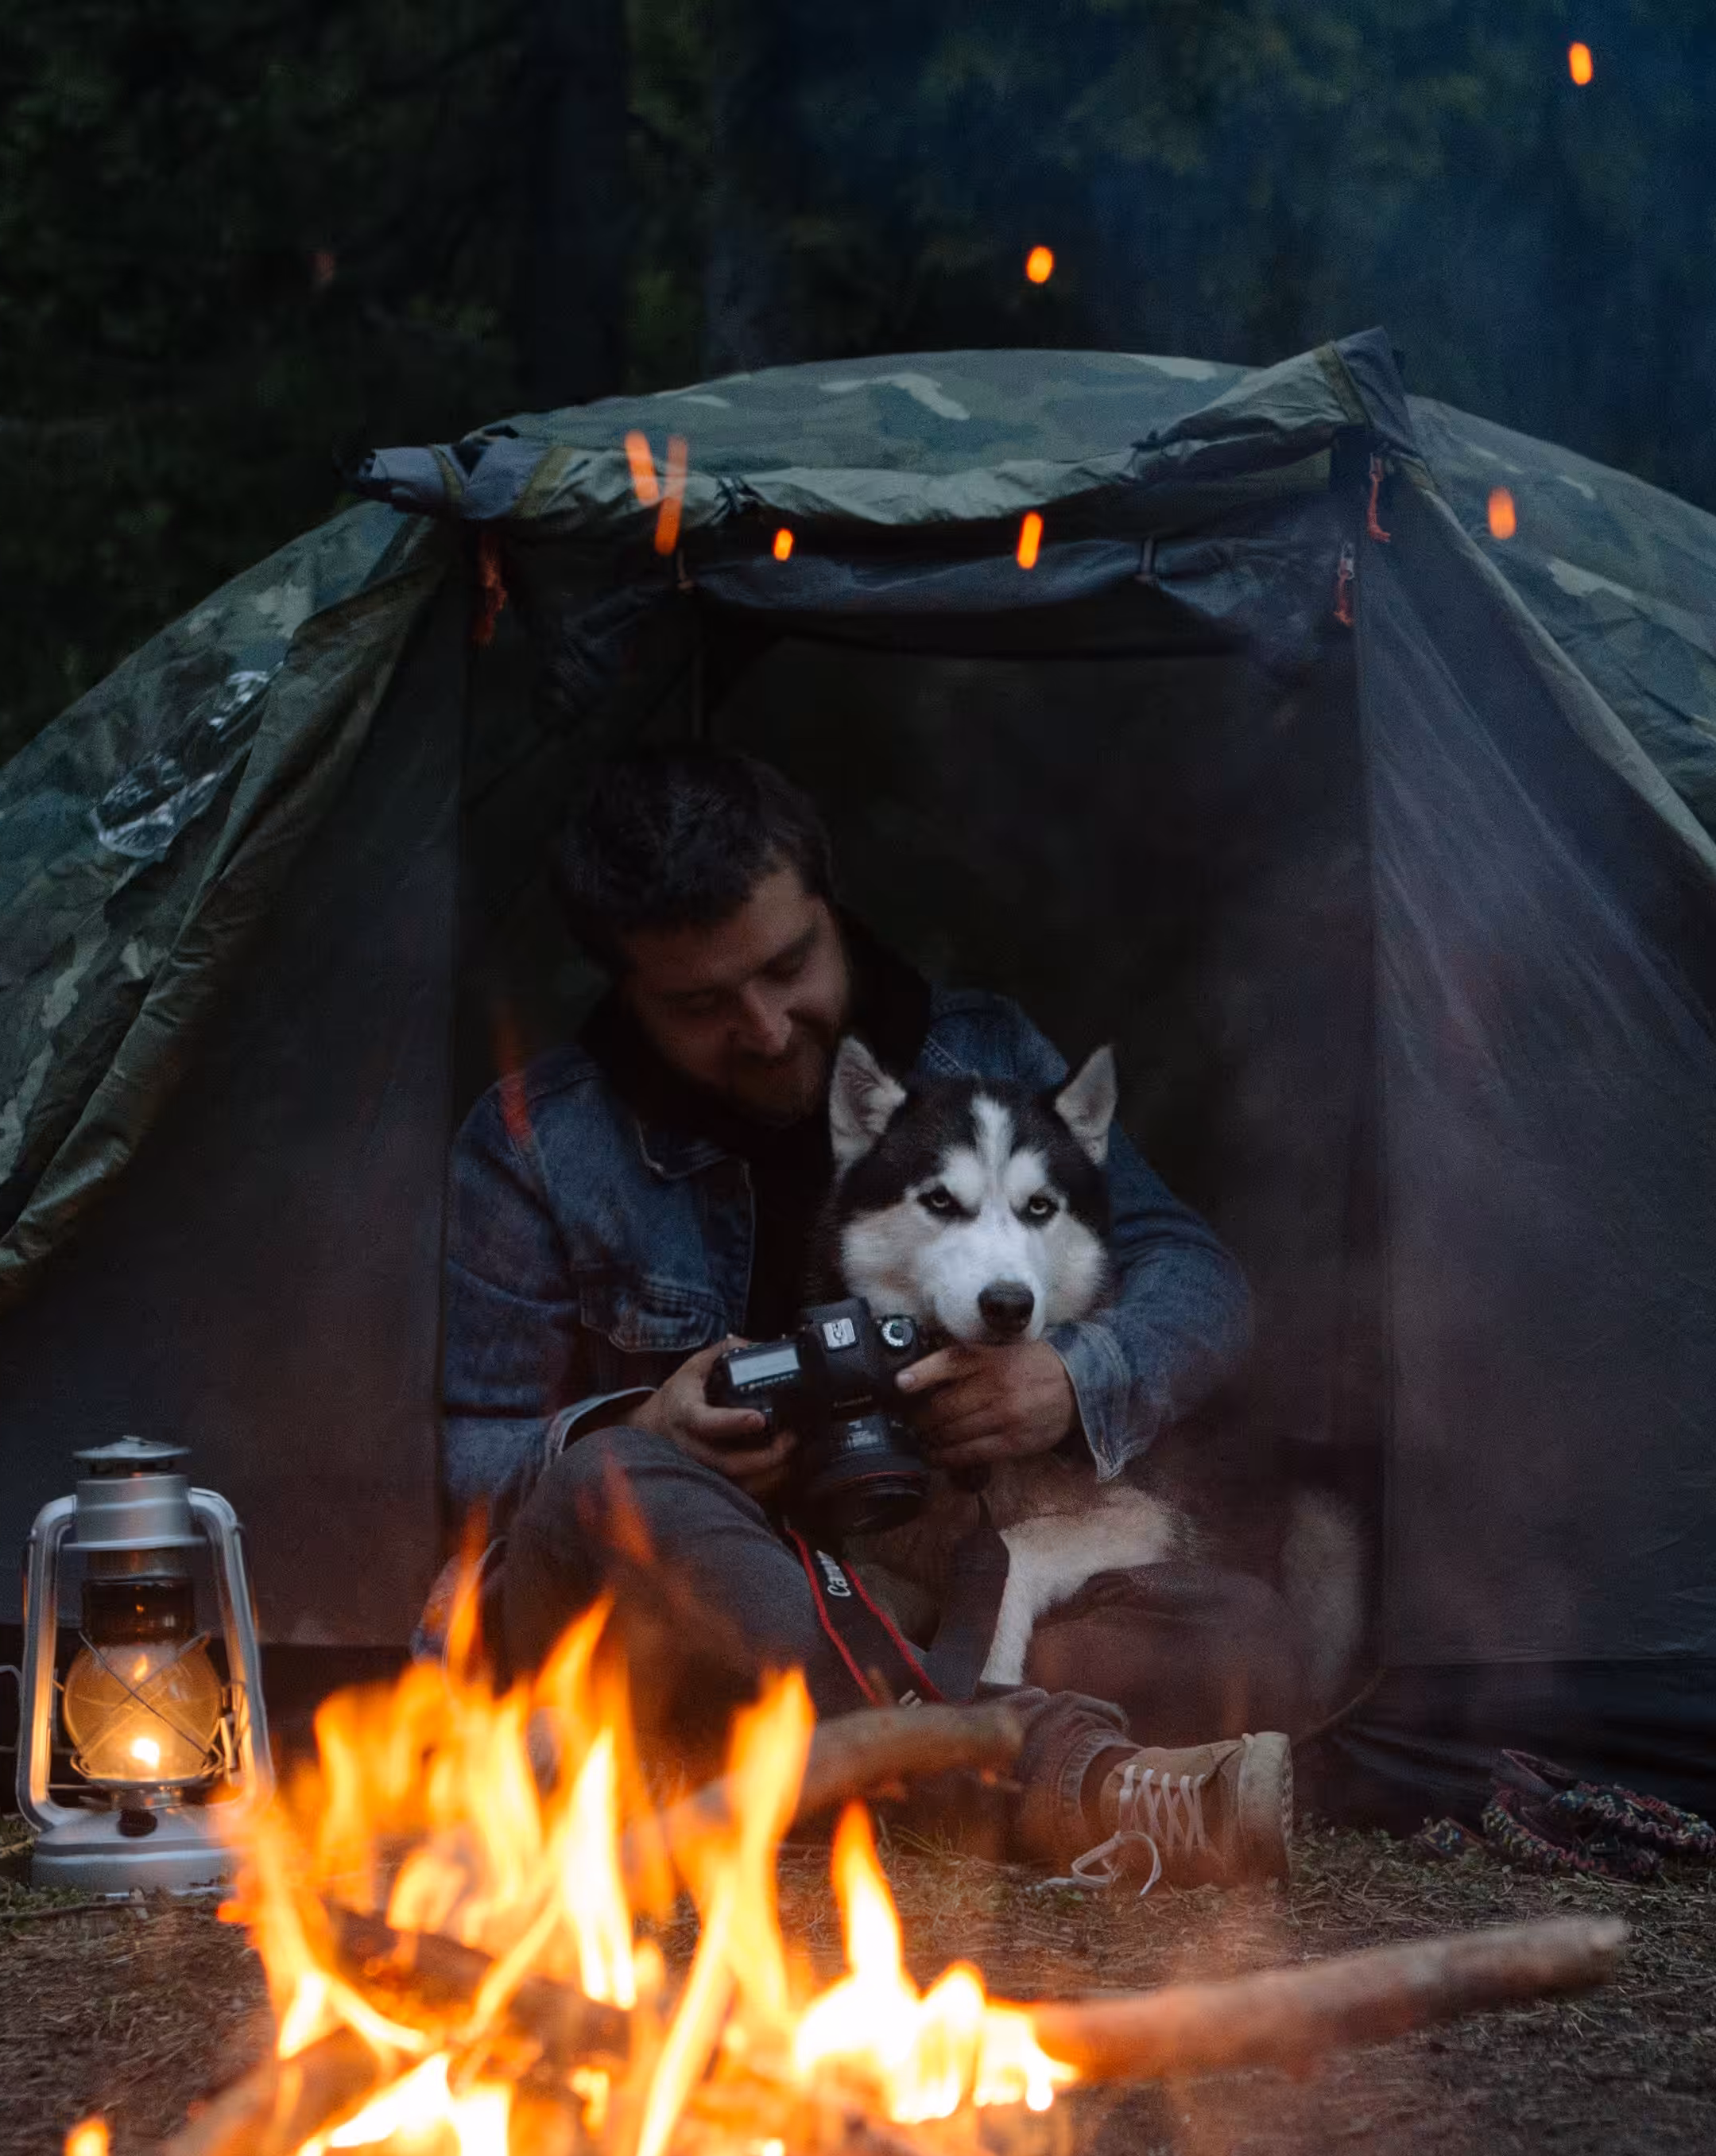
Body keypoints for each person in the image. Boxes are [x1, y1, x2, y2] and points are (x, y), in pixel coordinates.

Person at [440, 746, 1286, 1886]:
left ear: (831, 907)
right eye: (700, 1004)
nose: (769, 1024)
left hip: (926, 1590)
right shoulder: (538, 1144)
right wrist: (643, 1428)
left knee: (1238, 1627)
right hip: (697, 1588)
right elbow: (470, 1461)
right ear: (625, 991)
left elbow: (1195, 1274)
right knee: (605, 1488)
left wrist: (1074, 1375)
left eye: (790, 963)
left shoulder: (979, 1057)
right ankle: (1033, 1776)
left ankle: (780, 1775)